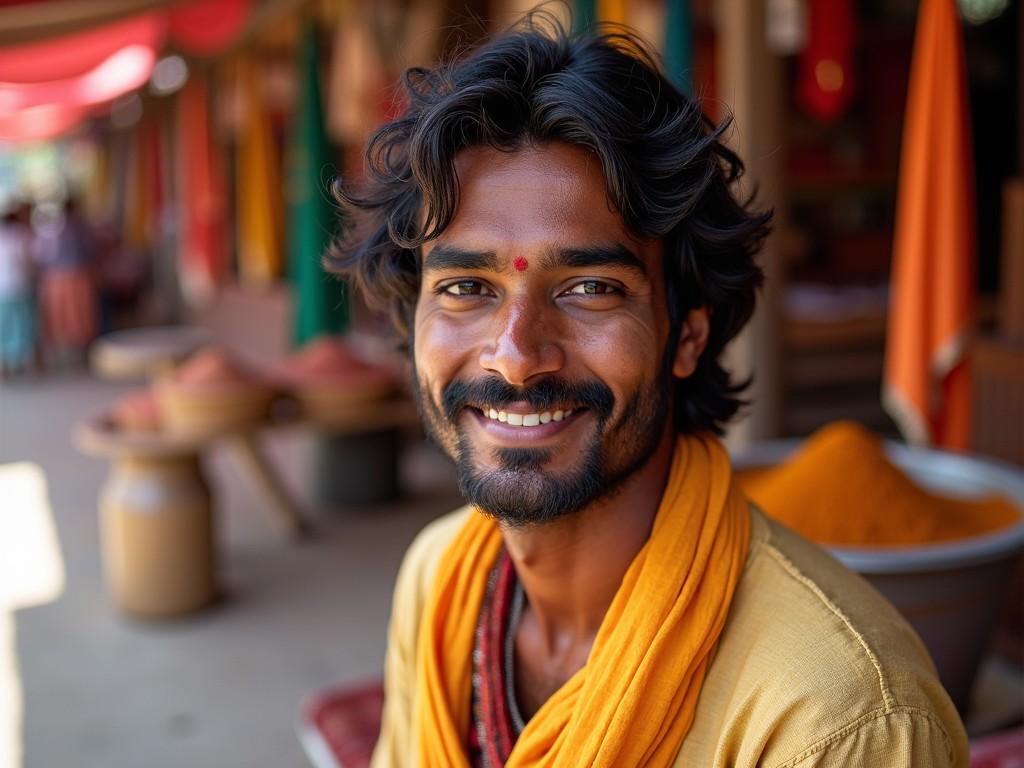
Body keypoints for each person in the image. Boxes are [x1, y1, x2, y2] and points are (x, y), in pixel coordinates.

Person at [329, 16, 968, 767]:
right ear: (412, 323)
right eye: (468, 286)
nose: (515, 358)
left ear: (687, 335)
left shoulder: (838, 718)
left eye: (591, 288)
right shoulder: (439, 582)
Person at [0, 205, 38, 379]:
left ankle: (6, 364)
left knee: (5, 326)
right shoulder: (23, 236)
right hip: (21, 287)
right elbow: (30, 262)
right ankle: (24, 363)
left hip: (3, 290)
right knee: (24, 325)